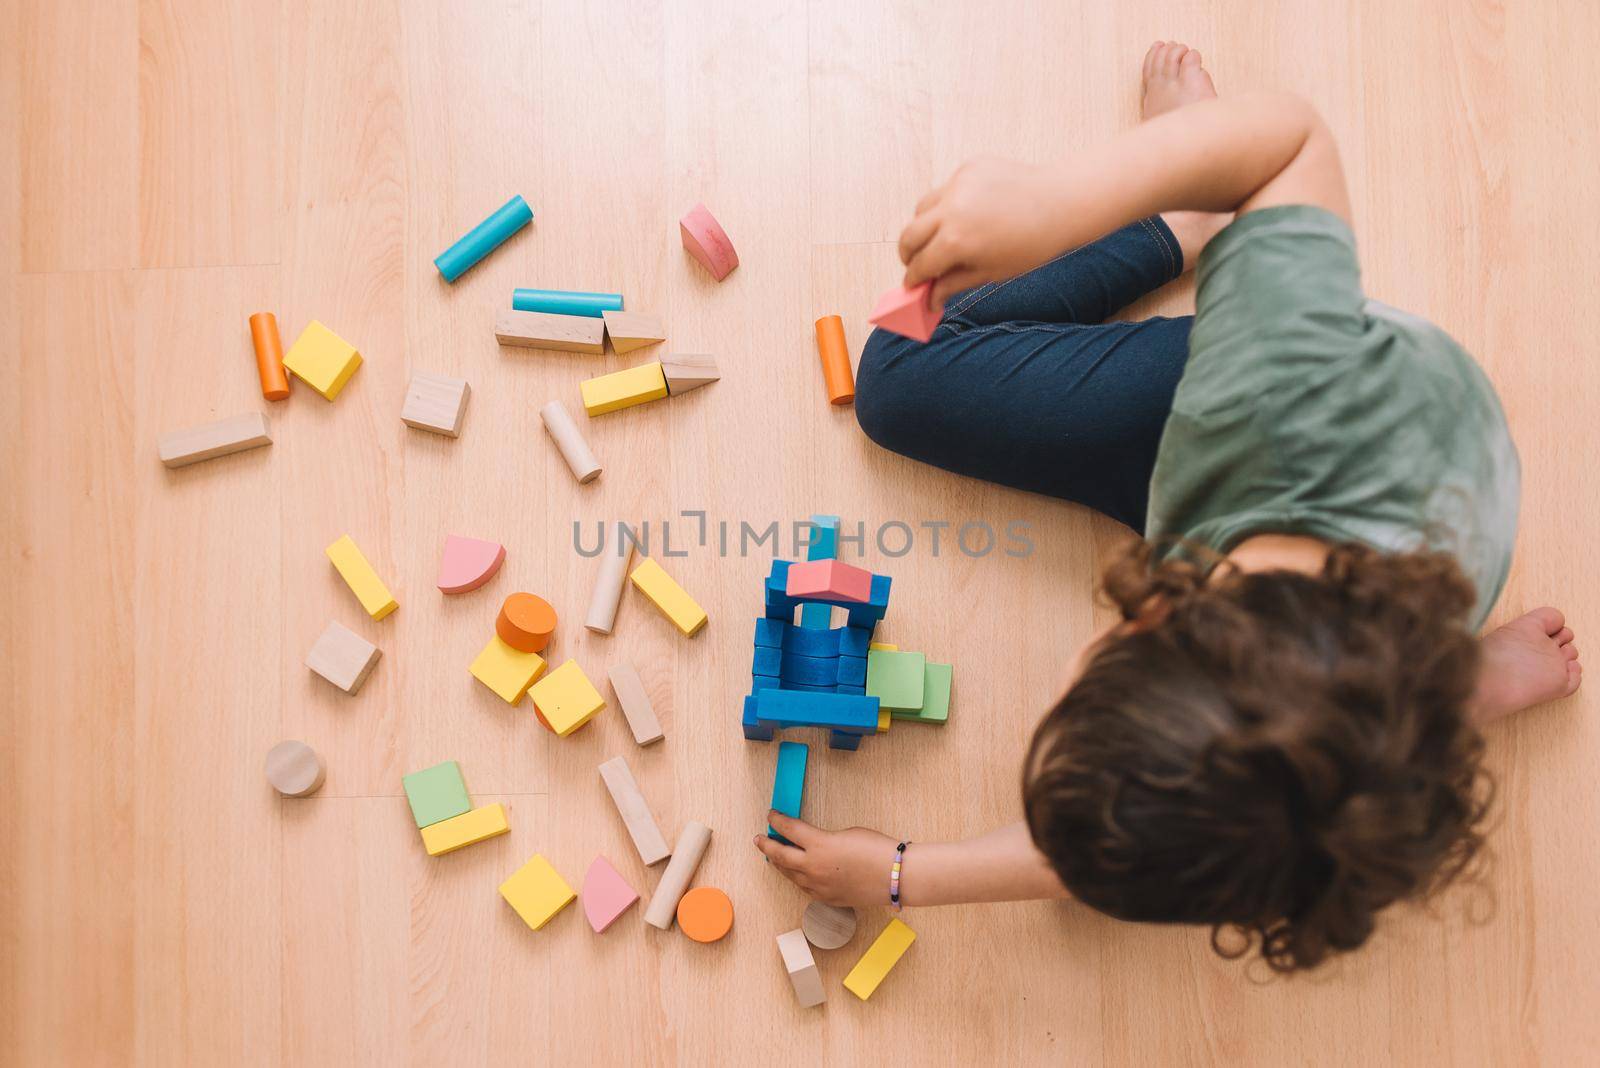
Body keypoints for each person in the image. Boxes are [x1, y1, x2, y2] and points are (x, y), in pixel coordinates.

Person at [751, 42, 1582, 972]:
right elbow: (1288, 141)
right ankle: (1182, 224)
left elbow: (1111, 846)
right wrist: (1065, 202)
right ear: (1154, 612)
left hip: (1363, 586)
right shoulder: (1272, 379)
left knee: (902, 375)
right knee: (894, 370)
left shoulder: (1301, 792)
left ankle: (1471, 681)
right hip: (1288, 435)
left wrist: (901, 874)